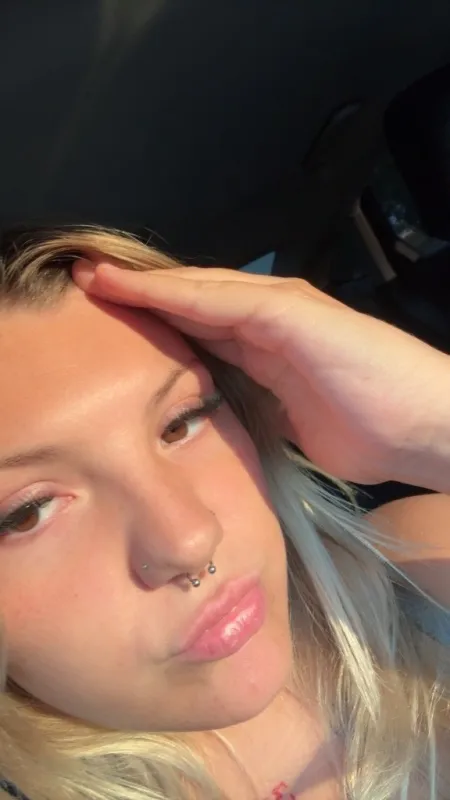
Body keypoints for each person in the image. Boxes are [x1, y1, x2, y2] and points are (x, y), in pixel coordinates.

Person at [0, 224, 449, 800]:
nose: (189, 541)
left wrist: (435, 427)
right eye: (29, 512)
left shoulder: (420, 578)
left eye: (181, 422)